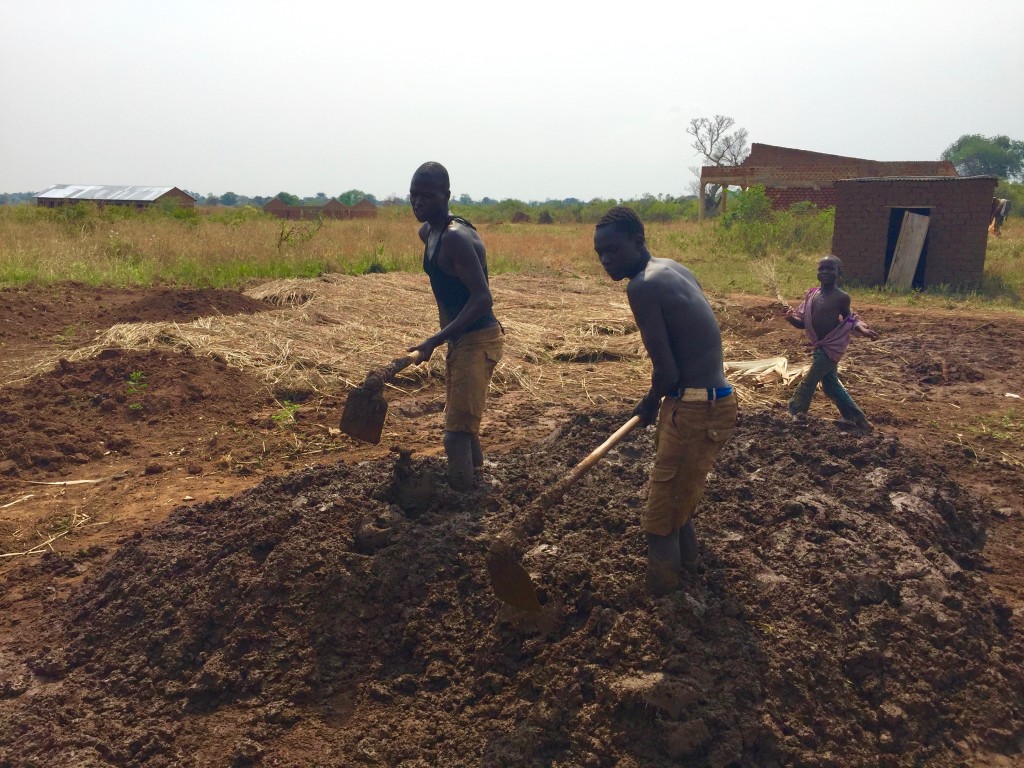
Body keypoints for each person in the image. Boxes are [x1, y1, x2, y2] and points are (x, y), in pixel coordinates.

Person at [594, 206, 737, 597]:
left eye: (613, 250)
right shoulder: (671, 267)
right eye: (599, 254)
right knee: (678, 499)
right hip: (704, 401)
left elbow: (667, 372)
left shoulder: (641, 286)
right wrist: (659, 402)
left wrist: (648, 401)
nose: (606, 260)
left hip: (695, 406)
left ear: (637, 241)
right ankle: (689, 572)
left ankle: (667, 607)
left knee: (659, 516)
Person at [408, 162, 503, 491]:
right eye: (414, 195)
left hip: (478, 338)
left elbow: (482, 299)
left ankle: (463, 504)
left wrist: (434, 339)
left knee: (454, 436)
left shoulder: (455, 237)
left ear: (447, 196)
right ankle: (479, 483)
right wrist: (444, 338)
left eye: (428, 196)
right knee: (464, 424)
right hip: (460, 339)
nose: (419, 202)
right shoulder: (428, 233)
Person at [784, 254, 879, 430]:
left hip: (831, 348)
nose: (825, 272)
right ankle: (858, 421)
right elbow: (803, 322)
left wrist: (862, 329)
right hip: (819, 347)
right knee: (830, 385)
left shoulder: (841, 297)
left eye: (830, 269)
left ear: (839, 273)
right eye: (821, 268)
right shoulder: (812, 295)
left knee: (809, 381)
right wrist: (791, 318)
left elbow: (849, 319)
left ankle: (795, 413)